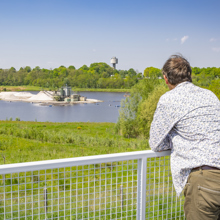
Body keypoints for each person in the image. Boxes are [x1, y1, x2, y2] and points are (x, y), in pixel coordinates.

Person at [149, 54, 220, 220]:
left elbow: (155, 143)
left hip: (205, 183)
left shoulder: (169, 99)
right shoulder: (209, 95)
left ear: (166, 79)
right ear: (190, 75)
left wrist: (174, 137)